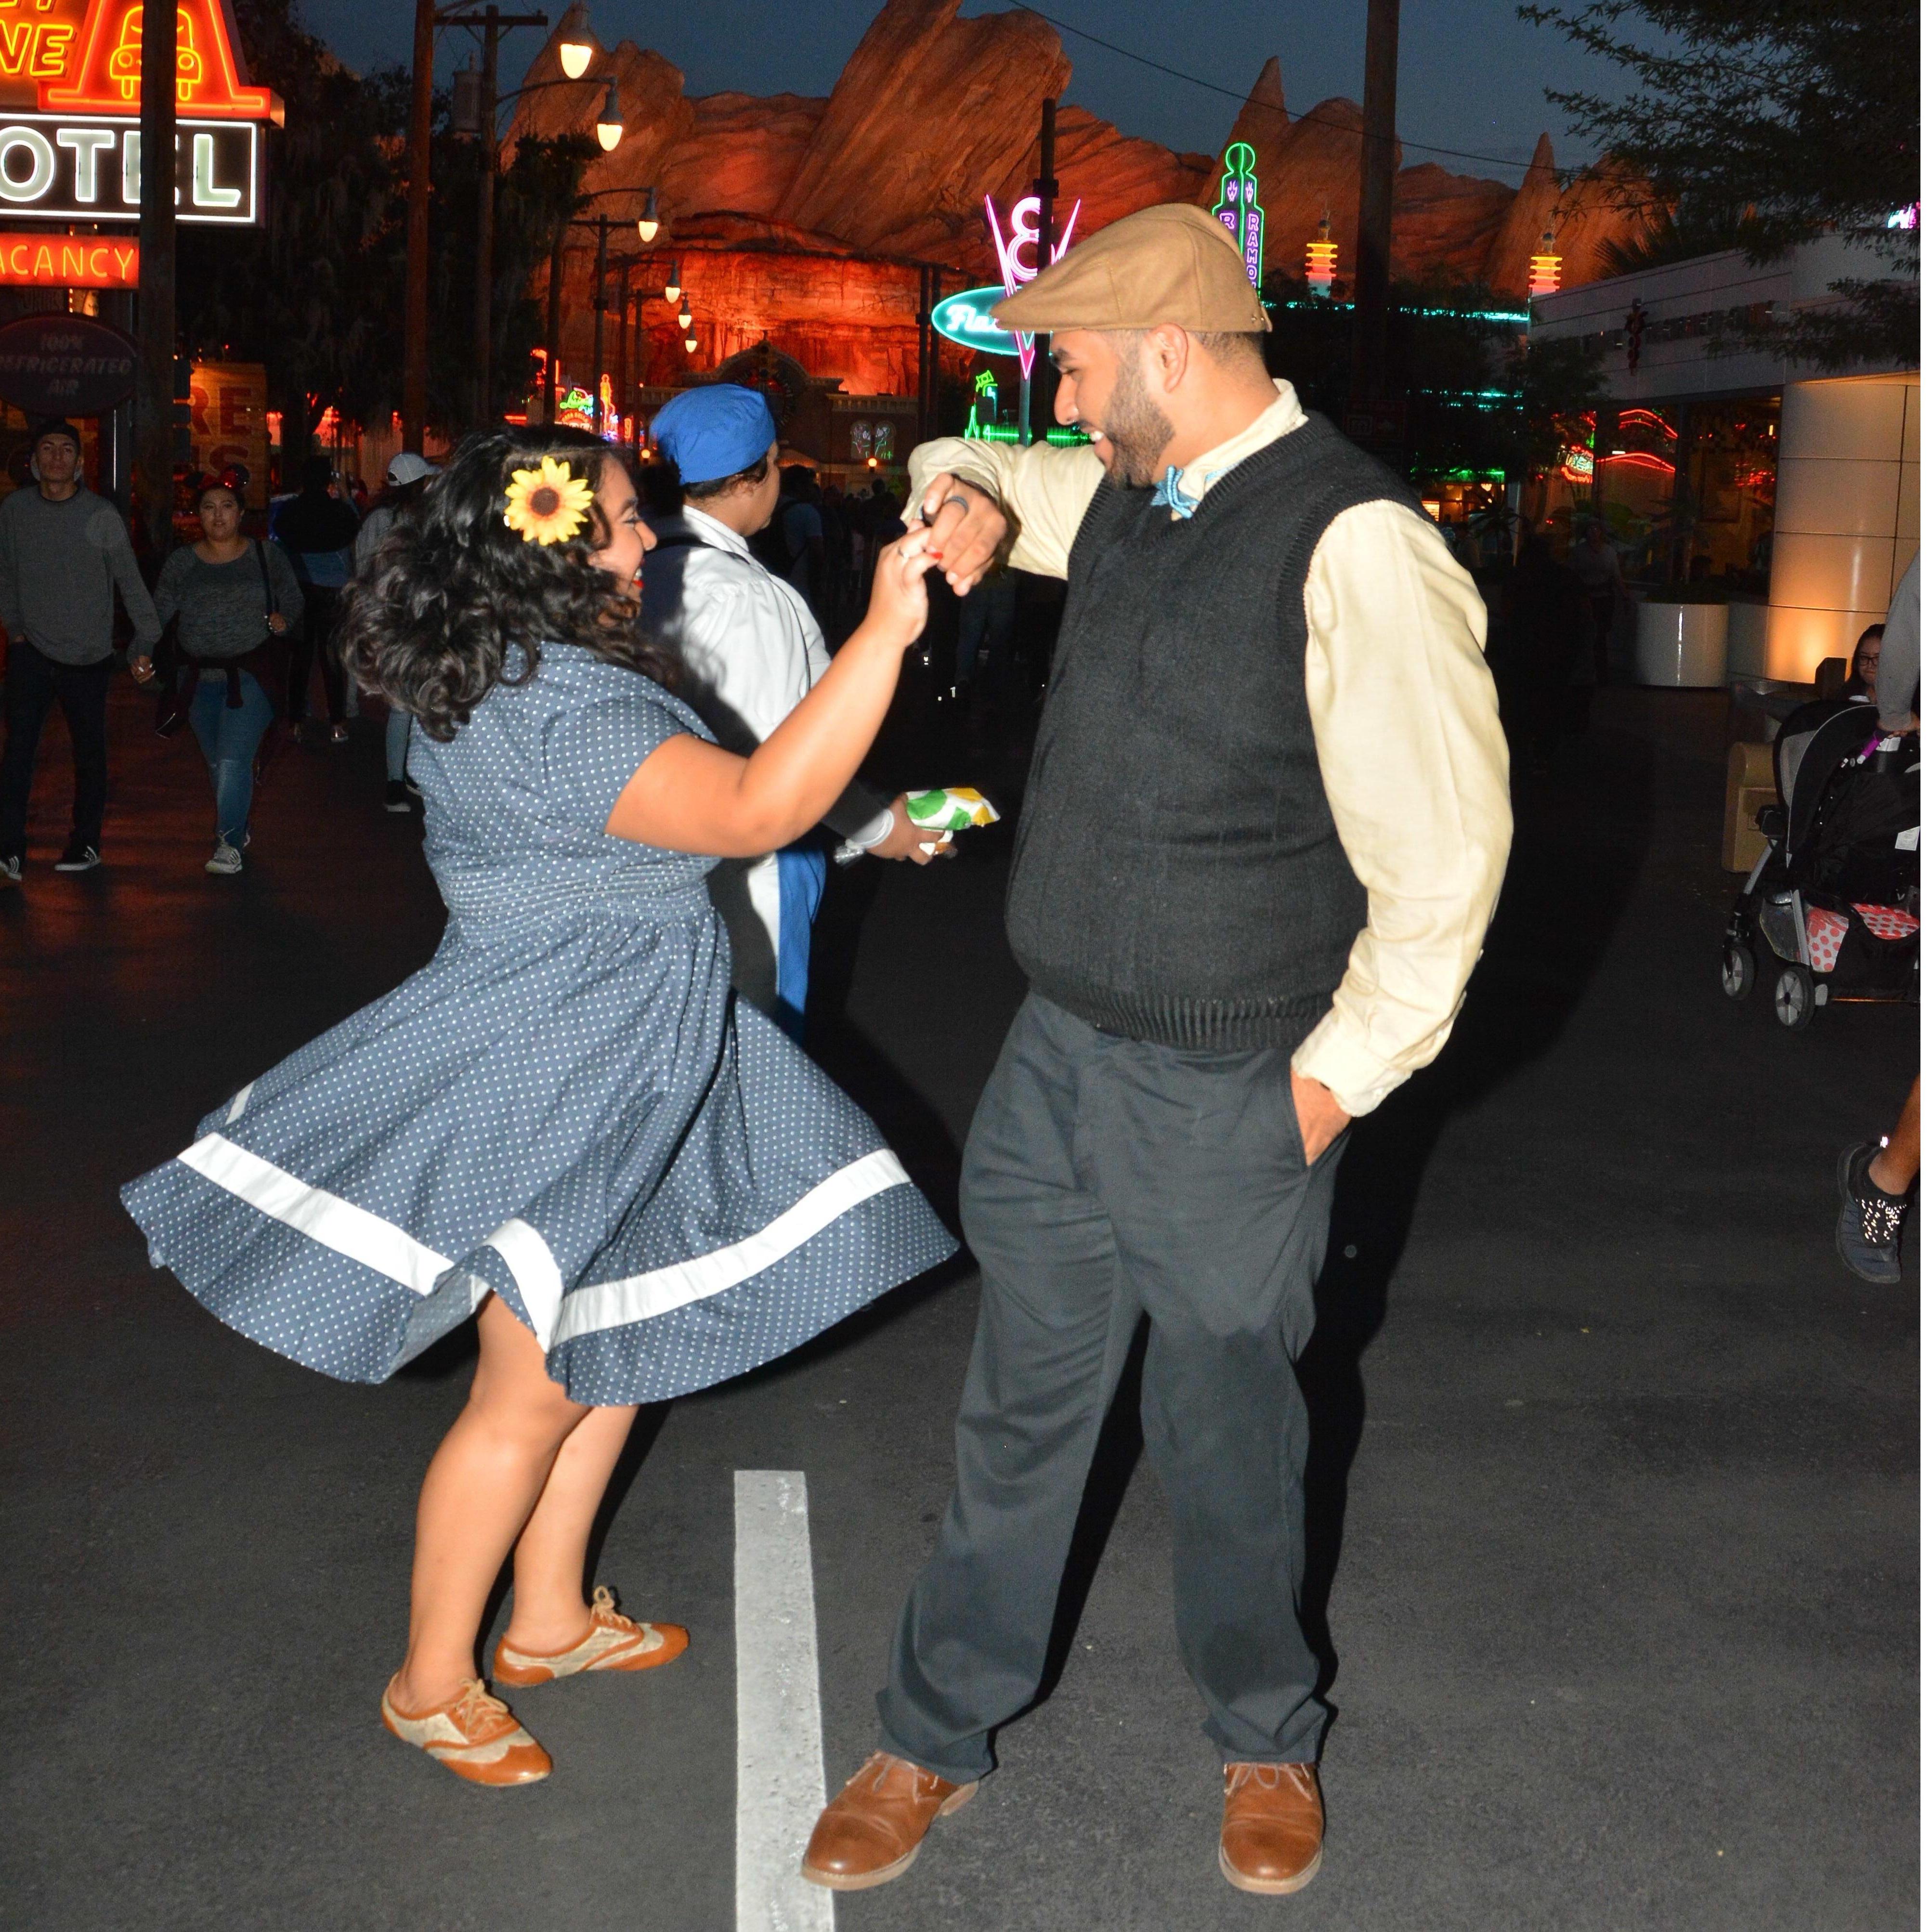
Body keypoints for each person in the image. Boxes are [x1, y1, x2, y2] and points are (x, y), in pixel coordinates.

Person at [800, 204, 1512, 1900]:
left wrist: (1320, 1091)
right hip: (1057, 1060)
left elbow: (1446, 870)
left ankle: (1266, 1730)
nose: (1058, 386)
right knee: (1018, 1411)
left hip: (1233, 1084)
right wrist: (955, 495)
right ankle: (935, 1728)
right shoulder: (1131, 485)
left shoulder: (1354, 545)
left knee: (1227, 1433)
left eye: (1078, 356)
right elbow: (967, 456)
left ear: (1170, 354)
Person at [120, 427, 953, 1789]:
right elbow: (752, 807)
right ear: (557, 552)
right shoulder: (569, 703)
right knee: (530, 1389)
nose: (645, 543)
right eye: (625, 522)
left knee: (627, 1326)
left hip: (628, 1030)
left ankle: (550, 1615)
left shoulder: (521, 672)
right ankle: (428, 1679)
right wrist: (886, 625)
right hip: (567, 1051)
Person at [641, 385, 948, 1031]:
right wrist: (881, 830)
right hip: (748, 885)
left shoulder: (632, 573)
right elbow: (792, 761)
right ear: (760, 472)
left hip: (650, 873)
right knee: (761, 1063)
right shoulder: (750, 598)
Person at [0, 418, 162, 883]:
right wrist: (14, 629)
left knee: (89, 755)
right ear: (33, 462)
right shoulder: (15, 510)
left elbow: (130, 582)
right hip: (30, 652)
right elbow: (7, 572)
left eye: (66, 450)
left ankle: (86, 842)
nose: (56, 458)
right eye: (47, 449)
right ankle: (10, 850)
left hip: (87, 658)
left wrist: (144, 639)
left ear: (79, 462)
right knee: (17, 753)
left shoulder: (100, 516)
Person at [153, 472, 305, 875]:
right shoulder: (182, 562)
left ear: (240, 513)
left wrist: (283, 620)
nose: (217, 515)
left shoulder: (265, 555)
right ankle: (238, 821)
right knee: (218, 765)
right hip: (197, 680)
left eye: (226, 506)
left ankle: (228, 843)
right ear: (197, 515)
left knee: (234, 760)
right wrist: (138, 653)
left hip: (251, 675)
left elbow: (293, 597)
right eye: (208, 507)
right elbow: (159, 611)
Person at [353, 452, 439, 811]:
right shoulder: (418, 520)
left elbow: (361, 568)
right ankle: (403, 778)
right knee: (417, 702)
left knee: (403, 705)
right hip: (415, 618)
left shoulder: (376, 519)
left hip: (390, 619)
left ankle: (399, 779)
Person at [272, 454, 360, 742]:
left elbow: (282, 536)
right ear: (327, 480)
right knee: (332, 657)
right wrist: (345, 497)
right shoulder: (339, 512)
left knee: (301, 657)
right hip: (333, 591)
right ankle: (337, 722)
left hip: (300, 588)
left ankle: (295, 721)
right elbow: (353, 527)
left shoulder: (291, 511)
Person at [1571, 519, 1626, 683]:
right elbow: (1572, 575)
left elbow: (1616, 575)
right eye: (1590, 529)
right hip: (1585, 598)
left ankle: (1601, 672)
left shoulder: (1609, 552)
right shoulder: (1579, 552)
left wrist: (1625, 594)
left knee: (1600, 635)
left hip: (1604, 598)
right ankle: (1587, 670)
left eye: (1597, 529)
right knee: (1587, 635)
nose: (1594, 532)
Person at [1843, 623, 1884, 701]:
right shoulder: (1846, 696)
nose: (1870, 665)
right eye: (1864, 658)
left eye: (1877, 658)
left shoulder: (1907, 702)